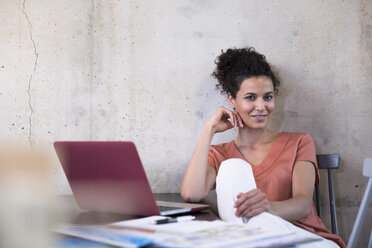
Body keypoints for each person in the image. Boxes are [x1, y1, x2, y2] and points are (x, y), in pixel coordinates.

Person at [180, 47, 345, 248]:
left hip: (305, 240)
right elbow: (191, 194)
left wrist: (266, 208)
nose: (261, 106)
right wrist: (209, 130)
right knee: (231, 167)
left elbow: (302, 205)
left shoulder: (300, 142)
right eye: (250, 97)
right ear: (232, 100)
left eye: (267, 97)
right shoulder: (220, 155)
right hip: (256, 240)